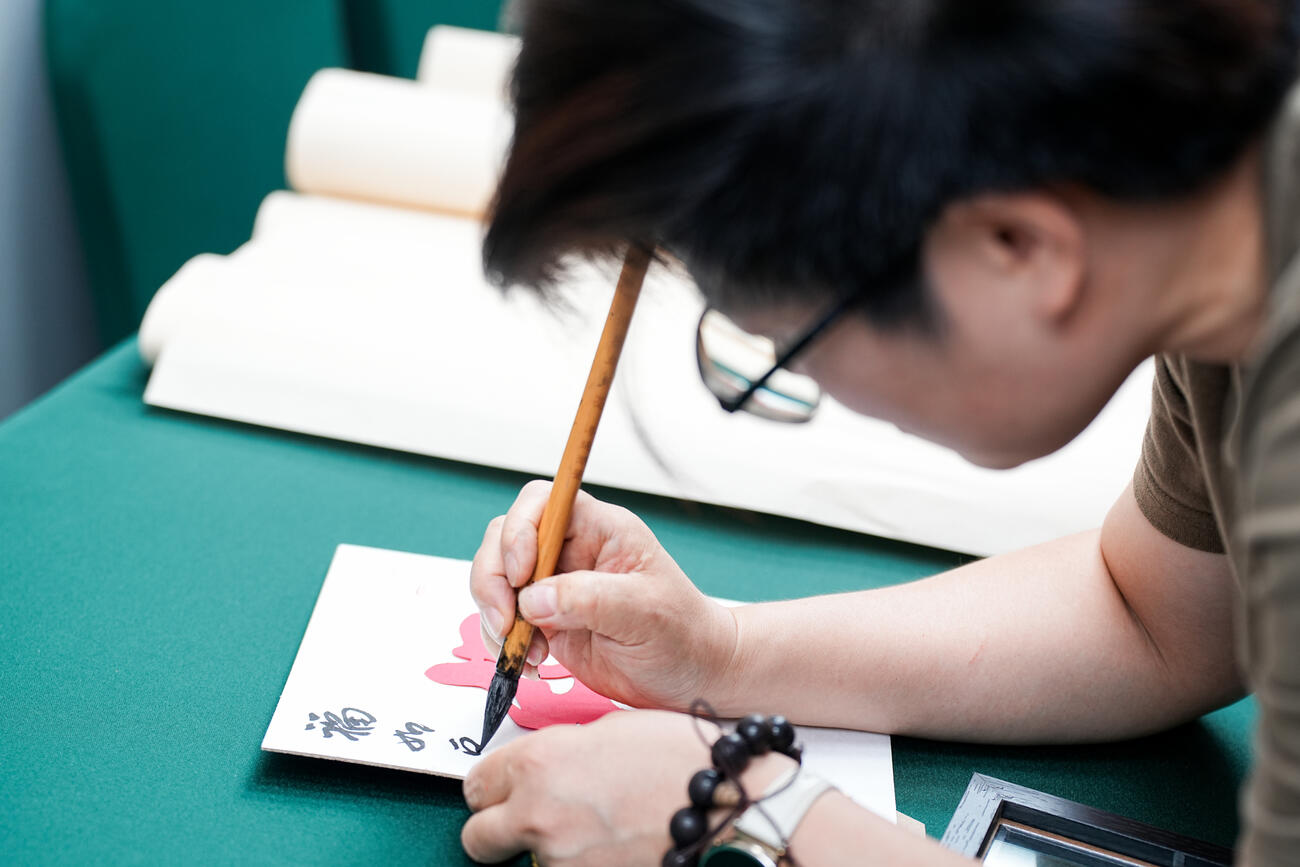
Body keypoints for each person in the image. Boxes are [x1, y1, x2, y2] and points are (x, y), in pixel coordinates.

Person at [459, 1, 1300, 864]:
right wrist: (721, 654)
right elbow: (1158, 616)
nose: (807, 377)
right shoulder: (1231, 240)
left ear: (1019, 245)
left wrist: (755, 812)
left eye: (791, 342)